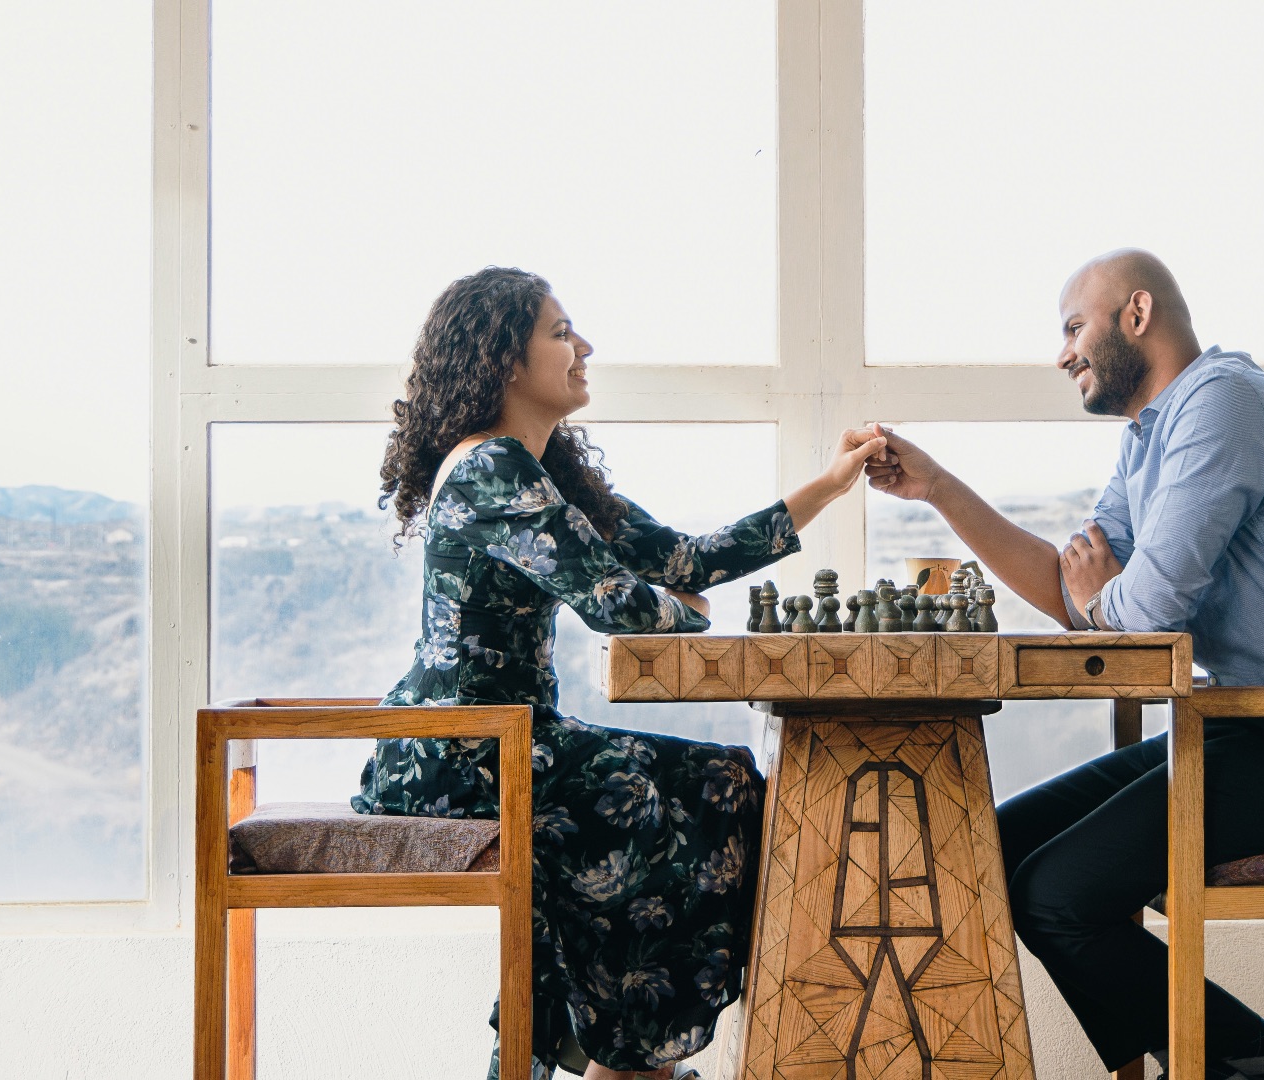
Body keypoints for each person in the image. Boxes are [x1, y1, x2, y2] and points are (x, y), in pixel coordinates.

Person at [862, 249, 1264, 1080]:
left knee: (1057, 892)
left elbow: (1143, 610)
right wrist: (939, 488)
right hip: (1255, 729)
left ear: (1136, 315)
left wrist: (1103, 598)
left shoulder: (1222, 405)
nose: (1062, 355)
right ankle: (1247, 1064)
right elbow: (1076, 591)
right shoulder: (1149, 436)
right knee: (997, 845)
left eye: (1072, 327)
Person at [352, 267, 886, 1080]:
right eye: (561, 332)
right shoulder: (488, 467)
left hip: (516, 743)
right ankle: (629, 1061)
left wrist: (830, 485)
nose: (584, 346)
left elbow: (684, 559)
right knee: (696, 788)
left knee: (721, 784)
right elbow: (618, 604)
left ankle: (625, 1057)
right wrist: (689, 614)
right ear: (502, 359)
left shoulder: (545, 472)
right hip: (459, 755)